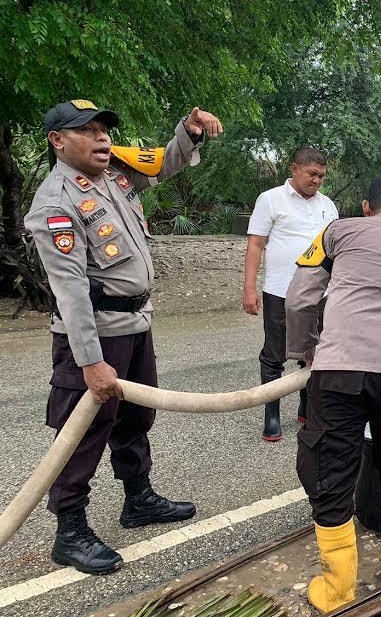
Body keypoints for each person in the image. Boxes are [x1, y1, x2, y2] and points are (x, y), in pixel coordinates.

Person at [24, 99, 222, 575]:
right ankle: (69, 531)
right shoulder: (56, 202)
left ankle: (139, 499)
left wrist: (188, 132)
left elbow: (165, 161)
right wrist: (91, 362)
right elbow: (70, 291)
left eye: (103, 130)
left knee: (136, 416)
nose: (101, 139)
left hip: (135, 325)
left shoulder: (115, 173)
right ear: (57, 141)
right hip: (95, 333)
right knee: (84, 429)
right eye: (87, 131)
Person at [286, 173, 381, 613]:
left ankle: (338, 588)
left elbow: (300, 298)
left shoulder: (338, 231)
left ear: (366, 207)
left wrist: (304, 351)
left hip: (339, 370)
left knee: (331, 464)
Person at [243, 148, 338, 440]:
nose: (317, 180)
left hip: (319, 294)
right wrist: (249, 289)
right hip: (280, 291)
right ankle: (271, 416)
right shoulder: (270, 199)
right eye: (312, 174)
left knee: (313, 354)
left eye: (321, 176)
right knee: (274, 354)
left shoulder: (328, 206)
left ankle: (306, 408)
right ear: (294, 168)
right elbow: (256, 245)